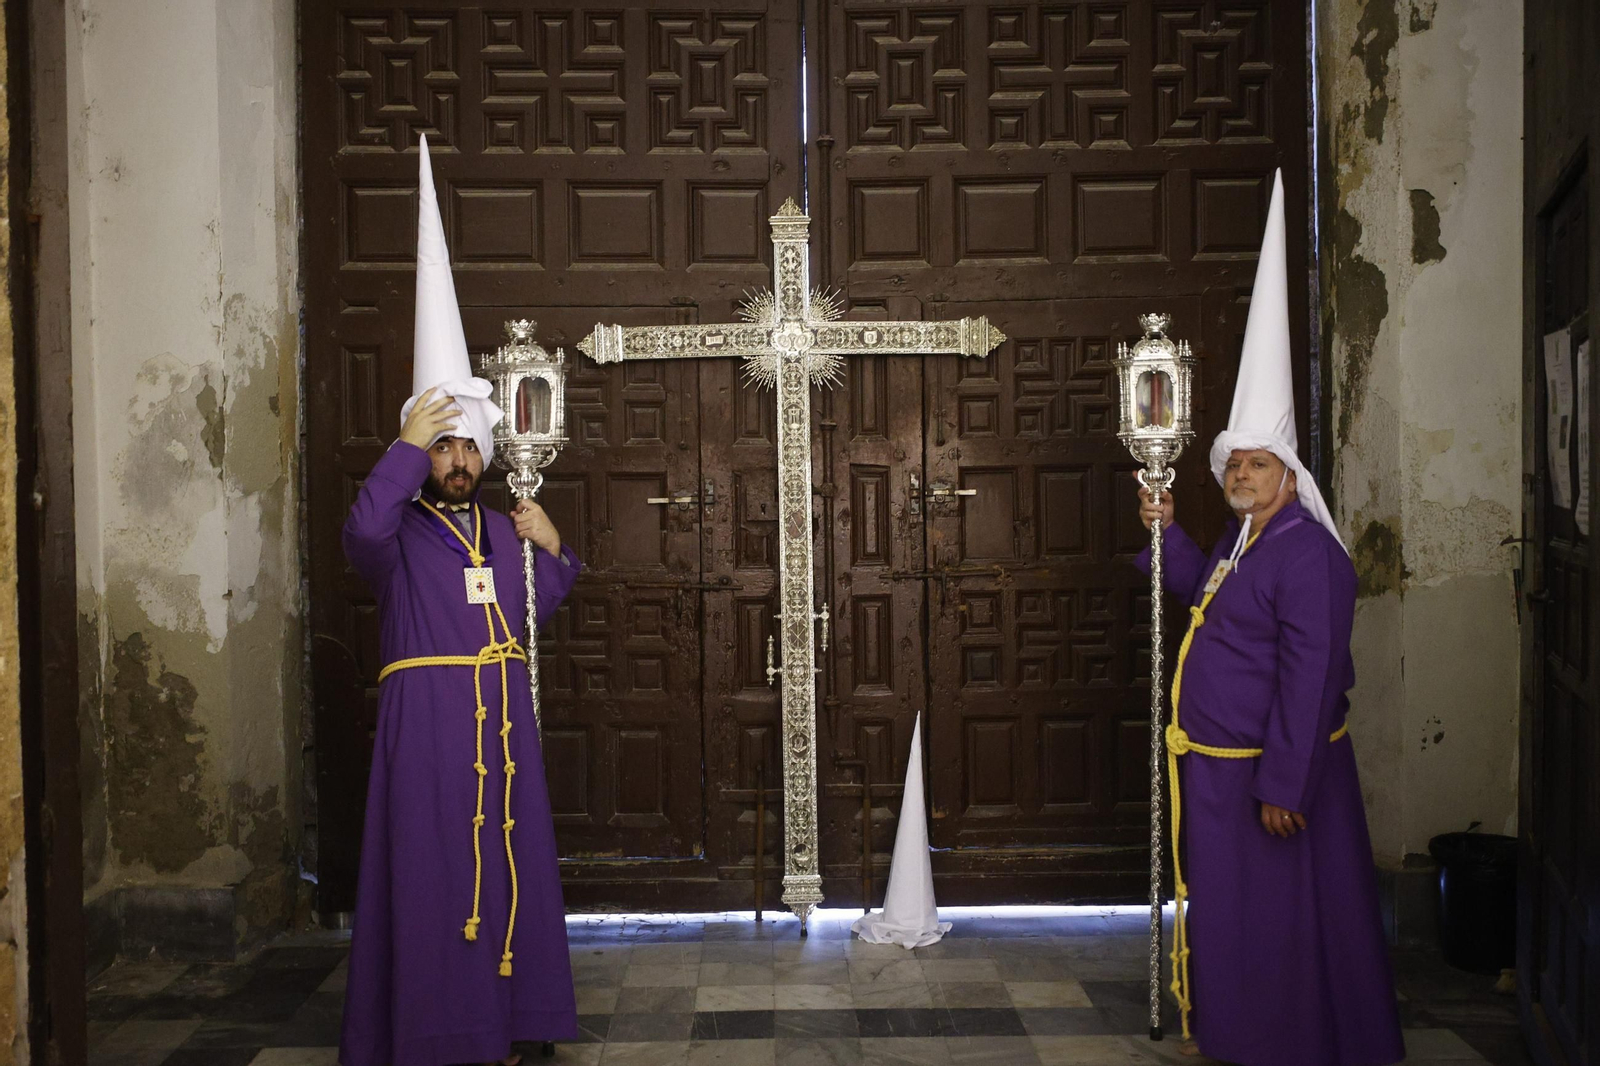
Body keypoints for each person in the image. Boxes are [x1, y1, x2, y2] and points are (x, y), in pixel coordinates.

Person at [1133, 170, 1404, 1066]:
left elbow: (1313, 671)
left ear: (1290, 472)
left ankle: (1287, 1044)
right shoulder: (1246, 540)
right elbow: (1202, 601)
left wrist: (1286, 784)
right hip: (1218, 775)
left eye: (1256, 463)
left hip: (1267, 783)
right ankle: (1243, 1037)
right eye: (1232, 464)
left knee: (1280, 929)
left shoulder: (1307, 554)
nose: (1240, 474)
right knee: (1241, 925)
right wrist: (1170, 531)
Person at [339, 134, 581, 1066]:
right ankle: (435, 1032)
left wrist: (555, 552)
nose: (459, 461)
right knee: (438, 878)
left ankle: (515, 1024)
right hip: (431, 723)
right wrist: (403, 445)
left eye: (466, 445)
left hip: (502, 717)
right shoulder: (396, 533)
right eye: (442, 447)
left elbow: (525, 616)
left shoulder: (496, 527)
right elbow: (359, 533)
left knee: (510, 870)